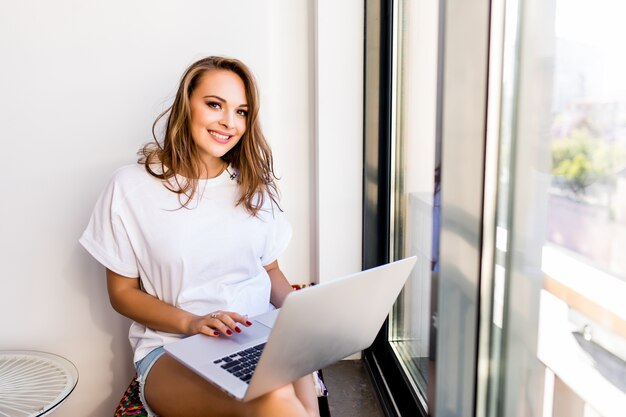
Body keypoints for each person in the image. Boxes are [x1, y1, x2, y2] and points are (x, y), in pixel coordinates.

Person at [80, 56, 320, 417]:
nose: (228, 122)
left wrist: (302, 311)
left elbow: (270, 271)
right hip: (175, 348)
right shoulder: (130, 187)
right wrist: (191, 322)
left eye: (241, 111)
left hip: (261, 338)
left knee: (292, 384)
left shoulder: (254, 187)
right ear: (185, 106)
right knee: (276, 399)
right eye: (214, 105)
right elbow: (122, 293)